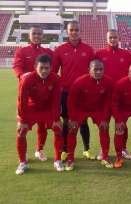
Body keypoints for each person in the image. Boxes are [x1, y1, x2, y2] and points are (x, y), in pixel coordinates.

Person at [52, 21, 95, 161]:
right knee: (66, 121)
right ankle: (65, 150)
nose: (74, 32)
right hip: (66, 92)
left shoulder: (88, 50)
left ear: (80, 31)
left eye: (76, 29)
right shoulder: (60, 50)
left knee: (83, 121)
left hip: (84, 93)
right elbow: (53, 72)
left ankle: (86, 149)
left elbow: (94, 71)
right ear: (67, 31)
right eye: (71, 30)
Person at [15, 54, 63, 175]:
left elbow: (56, 101)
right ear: (35, 66)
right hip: (30, 108)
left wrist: (56, 119)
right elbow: (22, 101)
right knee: (21, 131)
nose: (44, 71)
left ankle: (57, 160)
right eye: (41, 67)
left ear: (51, 67)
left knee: (58, 128)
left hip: (47, 108)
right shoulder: (26, 79)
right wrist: (22, 120)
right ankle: (22, 162)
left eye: (47, 68)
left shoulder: (56, 79)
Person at [13, 25, 53, 161]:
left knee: (42, 126)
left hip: (44, 96)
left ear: (43, 36)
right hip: (27, 96)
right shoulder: (22, 51)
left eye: (39, 34)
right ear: (29, 36)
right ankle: (22, 157)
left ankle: (39, 149)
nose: (37, 36)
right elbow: (17, 66)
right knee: (22, 127)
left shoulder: (47, 51)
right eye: (34, 33)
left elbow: (54, 67)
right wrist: (23, 76)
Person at [66, 60, 114, 170]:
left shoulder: (108, 82)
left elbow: (108, 102)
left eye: (101, 69)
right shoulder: (79, 82)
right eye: (95, 69)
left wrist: (105, 118)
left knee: (104, 128)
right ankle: (70, 159)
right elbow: (71, 101)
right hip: (80, 109)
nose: (98, 72)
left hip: (97, 110)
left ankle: (105, 157)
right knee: (72, 130)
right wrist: (72, 118)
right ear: (89, 70)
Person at [95, 29, 131, 160]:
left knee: (122, 123)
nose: (113, 40)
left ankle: (123, 148)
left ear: (119, 38)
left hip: (122, 96)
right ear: (106, 39)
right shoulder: (99, 54)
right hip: (104, 96)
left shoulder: (127, 55)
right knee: (103, 124)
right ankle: (103, 150)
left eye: (115, 37)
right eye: (110, 37)